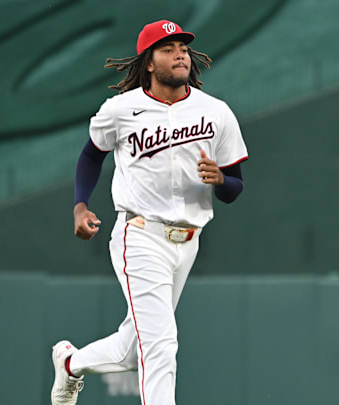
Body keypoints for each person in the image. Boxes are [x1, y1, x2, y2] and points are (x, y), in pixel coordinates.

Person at [50, 20, 248, 405]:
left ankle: (71, 363)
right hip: (139, 234)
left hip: (187, 242)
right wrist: (80, 205)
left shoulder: (216, 112)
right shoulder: (121, 110)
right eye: (168, 48)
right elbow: (92, 154)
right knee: (161, 344)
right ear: (149, 63)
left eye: (183, 47)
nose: (180, 54)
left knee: (132, 350)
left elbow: (234, 189)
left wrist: (221, 180)